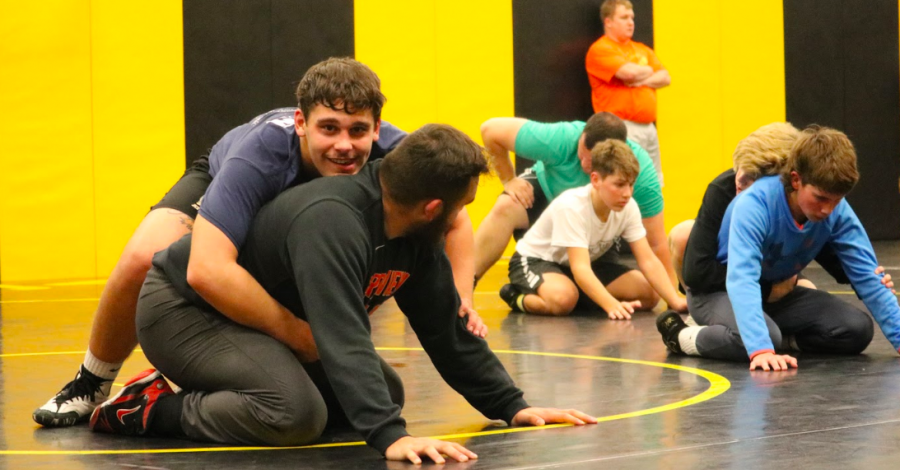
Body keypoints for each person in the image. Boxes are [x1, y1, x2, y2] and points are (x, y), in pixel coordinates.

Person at [89, 124, 597, 464]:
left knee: (382, 395)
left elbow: (444, 326)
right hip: (184, 311)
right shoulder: (332, 223)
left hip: (257, 319)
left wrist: (511, 405)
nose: (461, 218)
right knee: (294, 413)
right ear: (432, 207)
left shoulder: (412, 233)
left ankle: (232, 379)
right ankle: (149, 407)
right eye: (461, 206)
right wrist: (392, 437)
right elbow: (341, 334)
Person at [34, 57, 485, 428]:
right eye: (329, 129)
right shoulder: (262, 154)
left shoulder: (393, 149)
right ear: (301, 123)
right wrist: (298, 334)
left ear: (376, 128)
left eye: (356, 131)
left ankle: (230, 372)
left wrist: (462, 295)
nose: (345, 145)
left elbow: (454, 216)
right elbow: (206, 270)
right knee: (142, 259)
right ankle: (91, 382)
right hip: (227, 177)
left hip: (297, 220)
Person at [657, 126, 900, 371]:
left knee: (855, 329)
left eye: (836, 201)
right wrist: (761, 349)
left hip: (773, 294)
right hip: (716, 293)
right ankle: (682, 337)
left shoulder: (830, 205)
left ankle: (771, 336)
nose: (828, 210)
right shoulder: (751, 203)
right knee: (761, 339)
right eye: (821, 199)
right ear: (795, 179)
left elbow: (863, 272)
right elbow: (740, 279)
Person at [475, 112, 676, 288]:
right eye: (582, 152)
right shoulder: (562, 138)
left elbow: (656, 243)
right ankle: (466, 284)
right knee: (506, 206)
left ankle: (572, 291)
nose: (583, 162)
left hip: (592, 236)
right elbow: (490, 130)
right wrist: (509, 179)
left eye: (591, 161)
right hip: (545, 204)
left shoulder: (640, 174)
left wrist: (673, 298)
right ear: (582, 136)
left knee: (647, 292)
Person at [500, 139, 687, 318]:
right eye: (619, 184)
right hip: (536, 261)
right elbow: (580, 268)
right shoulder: (573, 206)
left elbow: (648, 260)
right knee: (563, 300)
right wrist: (611, 304)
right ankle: (517, 297)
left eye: (631, 185)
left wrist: (675, 300)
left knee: (648, 295)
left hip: (584, 264)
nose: (627, 193)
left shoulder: (628, 207)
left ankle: (577, 294)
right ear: (596, 180)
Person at [586, 0, 670, 185]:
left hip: (648, 128)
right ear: (608, 22)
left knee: (653, 184)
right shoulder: (601, 49)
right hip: (622, 127)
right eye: (624, 17)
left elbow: (665, 77)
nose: (630, 22)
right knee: (626, 181)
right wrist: (647, 71)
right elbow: (628, 72)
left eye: (632, 17)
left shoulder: (641, 49)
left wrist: (640, 78)